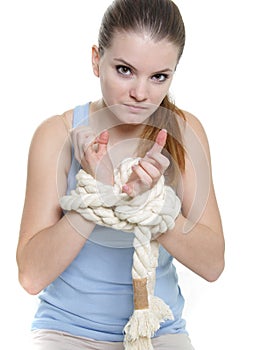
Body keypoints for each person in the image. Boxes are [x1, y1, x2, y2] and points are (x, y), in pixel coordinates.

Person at [16, 0, 225, 349]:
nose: (141, 94)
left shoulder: (184, 133)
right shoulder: (56, 135)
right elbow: (31, 276)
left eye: (159, 77)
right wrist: (96, 193)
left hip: (158, 332)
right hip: (68, 331)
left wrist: (151, 205)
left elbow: (213, 264)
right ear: (96, 60)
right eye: (125, 70)